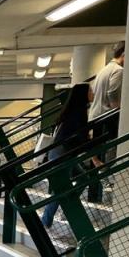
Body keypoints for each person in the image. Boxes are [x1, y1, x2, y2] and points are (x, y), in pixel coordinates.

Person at [40, 83, 99, 228]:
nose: (93, 93)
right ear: (82, 95)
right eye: (90, 91)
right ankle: (45, 221)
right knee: (60, 188)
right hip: (62, 154)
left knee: (80, 179)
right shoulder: (78, 113)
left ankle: (63, 210)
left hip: (62, 153)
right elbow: (83, 138)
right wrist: (95, 158)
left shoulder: (74, 111)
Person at [89, 41, 124, 120]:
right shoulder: (118, 70)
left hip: (95, 115)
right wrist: (117, 115)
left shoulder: (104, 70)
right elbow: (113, 93)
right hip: (105, 117)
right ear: (123, 55)